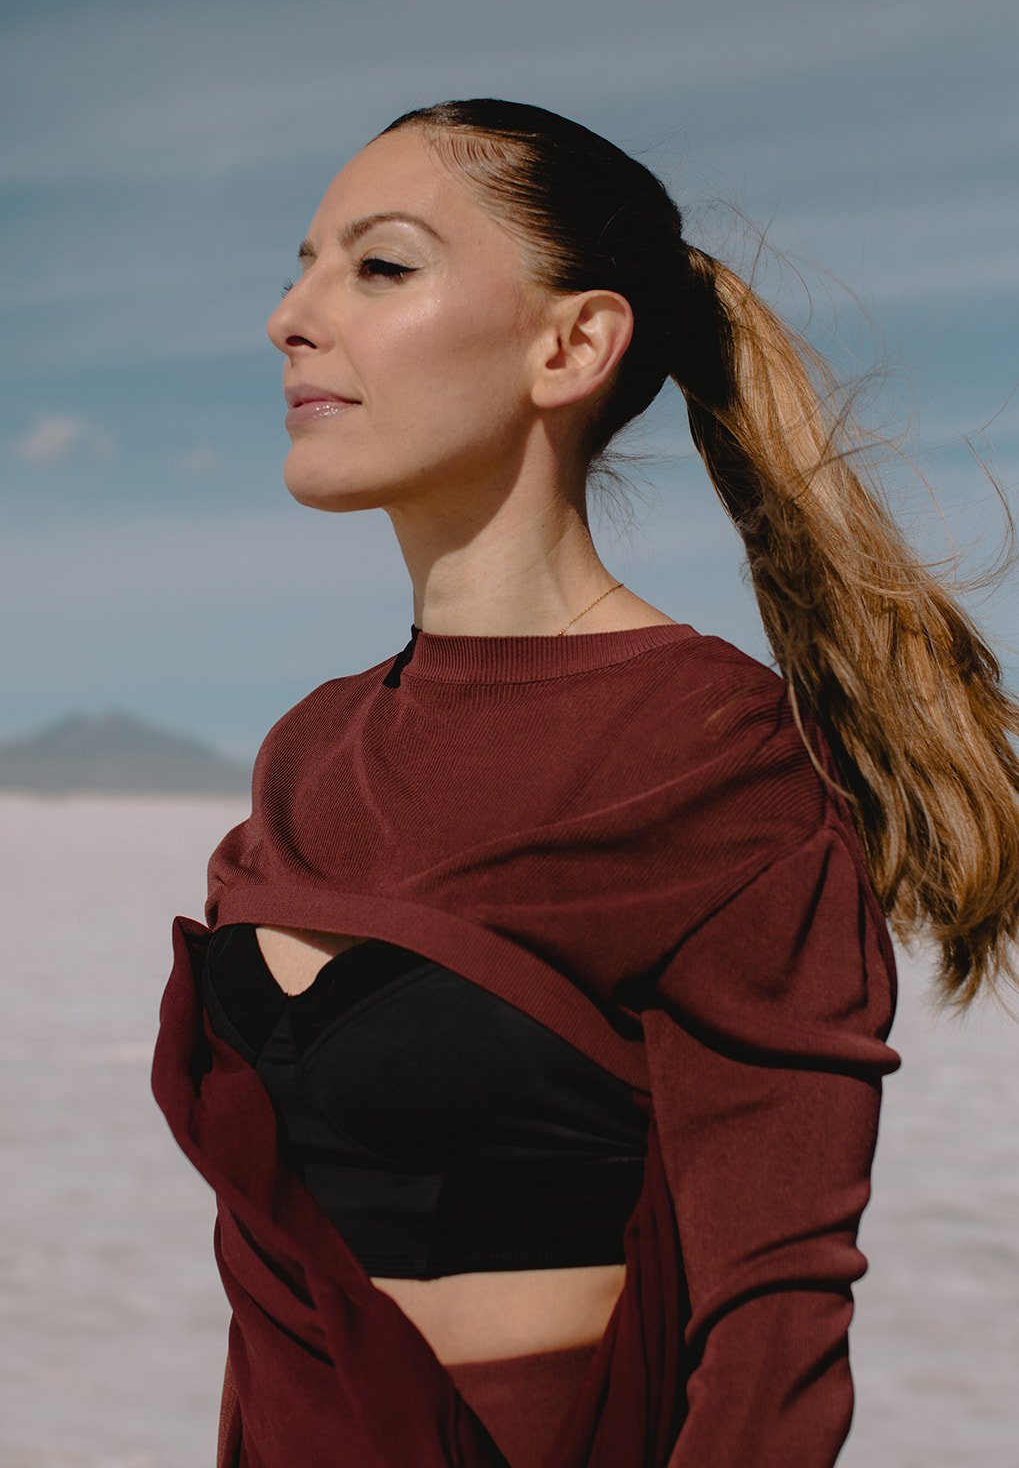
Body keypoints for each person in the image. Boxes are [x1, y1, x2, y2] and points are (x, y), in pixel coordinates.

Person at [151, 98, 1019, 1467]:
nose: (292, 317)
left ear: (573, 344)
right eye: (298, 266)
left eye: (378, 267)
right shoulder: (310, 751)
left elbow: (772, 1319)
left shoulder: (710, 755)